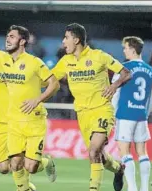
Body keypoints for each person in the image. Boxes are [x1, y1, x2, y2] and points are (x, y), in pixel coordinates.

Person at [0, 3, 59, 191]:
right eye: (7, 36)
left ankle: (45, 163)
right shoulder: (1, 58)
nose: (7, 39)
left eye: (12, 36)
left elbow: (54, 83)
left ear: (23, 41)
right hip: (9, 119)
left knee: (30, 166)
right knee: (9, 166)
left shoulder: (34, 62)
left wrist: (37, 100)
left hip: (32, 120)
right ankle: (24, 188)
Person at [51, 23, 131, 191]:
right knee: (99, 155)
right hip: (82, 114)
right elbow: (49, 79)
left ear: (76, 39)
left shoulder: (99, 56)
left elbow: (126, 73)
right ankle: (118, 169)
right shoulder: (66, 61)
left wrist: (114, 85)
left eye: (66, 38)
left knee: (94, 151)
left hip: (102, 110)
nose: (63, 41)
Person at [112, 36, 151, 191]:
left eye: (125, 47)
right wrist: (145, 114)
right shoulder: (150, 71)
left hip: (125, 114)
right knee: (142, 152)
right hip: (141, 115)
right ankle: (145, 188)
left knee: (124, 150)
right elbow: (150, 98)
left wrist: (113, 114)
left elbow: (114, 93)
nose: (124, 50)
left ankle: (132, 188)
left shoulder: (123, 69)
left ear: (132, 49)